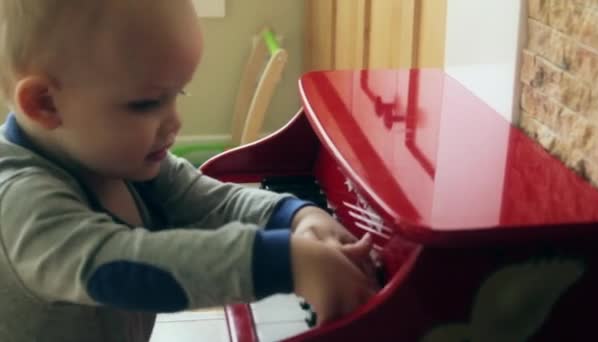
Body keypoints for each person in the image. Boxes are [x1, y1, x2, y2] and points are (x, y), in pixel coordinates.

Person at [0, 1, 378, 341]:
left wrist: (294, 217)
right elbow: (115, 267)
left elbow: (213, 201)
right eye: (147, 103)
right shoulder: (21, 201)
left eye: (177, 95)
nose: (174, 123)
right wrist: (285, 262)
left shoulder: (117, 158)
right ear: (45, 103)